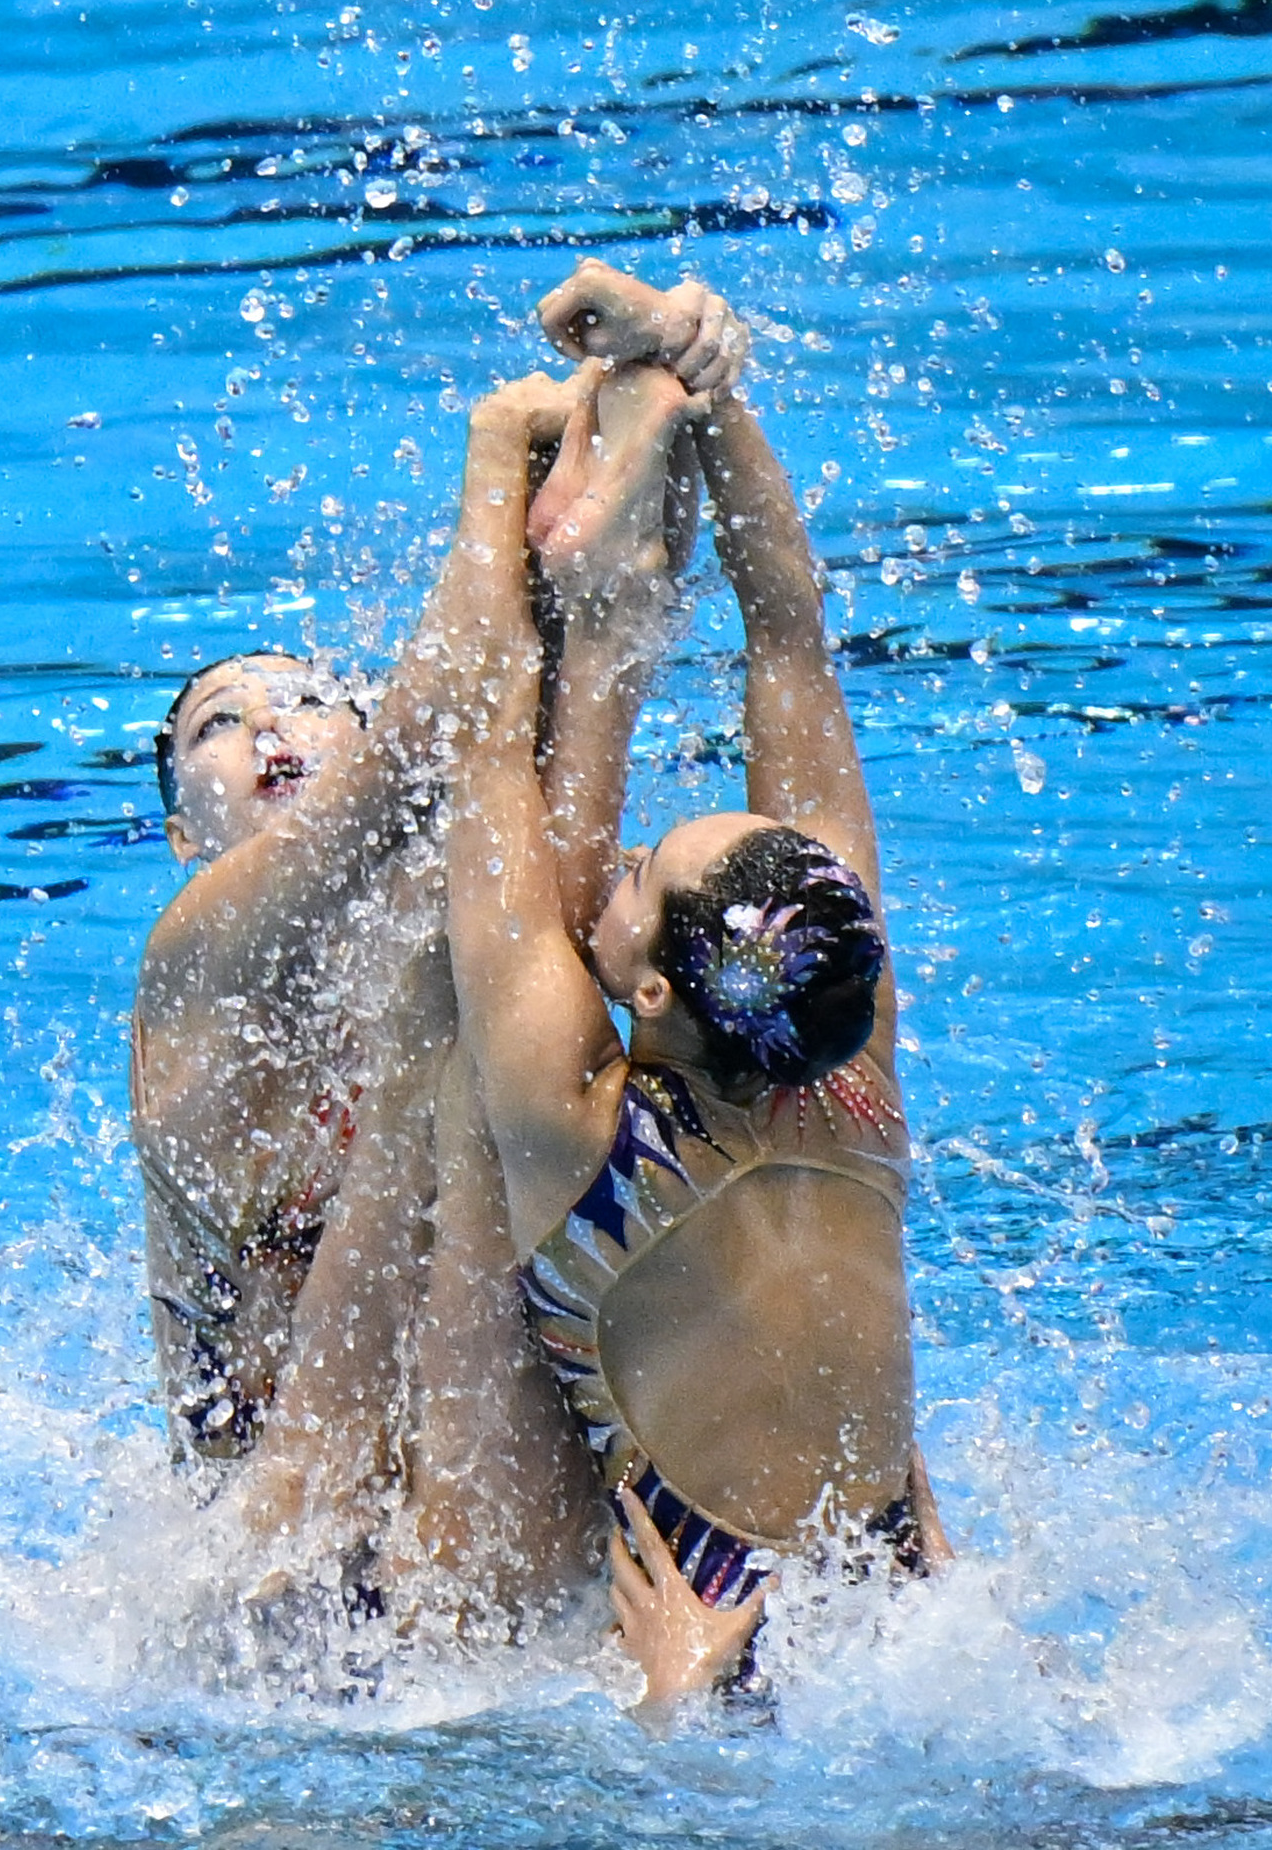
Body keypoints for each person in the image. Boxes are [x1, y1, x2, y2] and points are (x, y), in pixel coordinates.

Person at [127, 285, 747, 1535]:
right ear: (185, 832)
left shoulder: (446, 924)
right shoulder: (189, 960)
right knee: (458, 1001)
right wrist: (503, 439)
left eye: (305, 698)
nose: (268, 724)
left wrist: (670, 400)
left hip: (466, 1479)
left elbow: (534, 728)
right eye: (218, 724)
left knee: (507, 966)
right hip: (276, 1564)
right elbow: (446, 719)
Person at [437, 259, 944, 1718]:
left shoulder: (571, 1130)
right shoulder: (851, 1057)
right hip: (897, 1600)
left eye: (641, 868)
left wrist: (492, 474)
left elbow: (480, 746)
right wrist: (704, 383)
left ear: (649, 992)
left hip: (708, 1637)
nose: (627, 856)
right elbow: (788, 627)